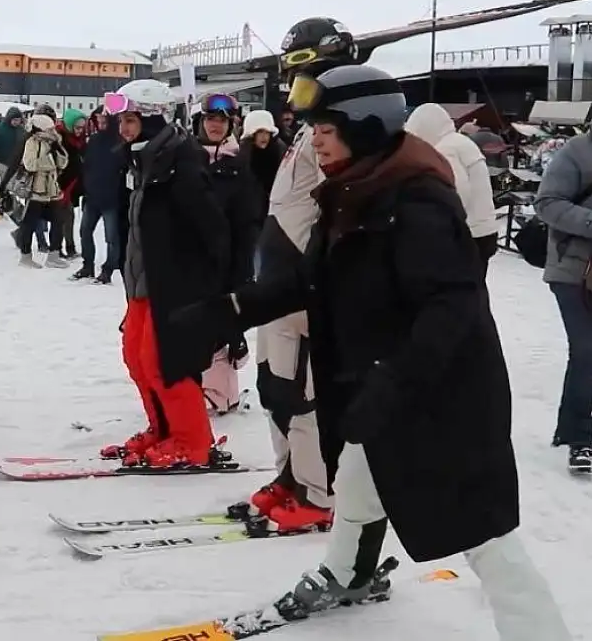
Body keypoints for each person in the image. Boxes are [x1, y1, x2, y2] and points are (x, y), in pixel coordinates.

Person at [170, 64, 572, 641]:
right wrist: (228, 310)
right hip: (384, 389)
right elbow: (312, 279)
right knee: (358, 481)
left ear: (365, 126)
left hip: (442, 398)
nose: (316, 143)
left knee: (487, 542)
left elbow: (451, 310)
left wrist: (393, 381)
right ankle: (348, 572)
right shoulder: (355, 190)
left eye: (326, 132)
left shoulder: (417, 201)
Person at [241, 17, 358, 531]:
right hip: (276, 283)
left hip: (305, 287)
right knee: (274, 386)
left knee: (305, 394)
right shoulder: (308, 130)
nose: (293, 85)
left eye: (302, 71)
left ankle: (318, 491)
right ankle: (288, 476)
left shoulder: (344, 129)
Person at [98, 79, 230, 469]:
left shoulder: (181, 162)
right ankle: (164, 429)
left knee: (164, 363)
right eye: (121, 120)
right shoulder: (141, 160)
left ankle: (193, 441)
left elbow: (212, 230)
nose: (123, 129)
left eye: (131, 120)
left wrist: (203, 288)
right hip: (143, 281)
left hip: (173, 285)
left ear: (153, 119)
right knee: (136, 358)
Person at [193, 93, 259, 414]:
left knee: (220, 331)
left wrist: (244, 273)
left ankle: (219, 393)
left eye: (222, 121)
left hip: (225, 263)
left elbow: (248, 224)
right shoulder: (186, 159)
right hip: (189, 261)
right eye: (210, 120)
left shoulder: (239, 166)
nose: (215, 126)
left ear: (231, 125)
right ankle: (192, 391)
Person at [533, 130, 592, 473]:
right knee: (587, 350)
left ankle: (570, 427)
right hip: (573, 270)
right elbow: (547, 203)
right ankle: (581, 439)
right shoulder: (577, 152)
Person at [405, 103, 499, 271]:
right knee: (473, 288)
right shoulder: (461, 142)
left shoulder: (445, 150)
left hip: (467, 233)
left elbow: (457, 192)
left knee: (461, 290)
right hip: (483, 229)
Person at [73, 107, 125, 284]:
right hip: (92, 196)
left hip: (111, 198)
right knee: (85, 231)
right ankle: (87, 265)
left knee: (111, 237)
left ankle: (108, 269)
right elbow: (86, 166)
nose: (101, 124)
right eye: (98, 121)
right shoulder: (93, 141)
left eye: (104, 121)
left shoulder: (120, 141)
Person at [13, 113, 69, 268]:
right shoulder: (32, 142)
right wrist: (48, 161)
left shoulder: (55, 141)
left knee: (58, 222)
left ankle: (54, 255)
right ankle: (25, 256)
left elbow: (63, 164)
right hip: (36, 190)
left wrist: (58, 150)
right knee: (29, 224)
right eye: (50, 129)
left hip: (52, 189)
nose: (53, 131)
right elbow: (29, 164)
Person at [239, 109, 286, 217]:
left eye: (267, 132)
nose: (264, 136)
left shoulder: (280, 154)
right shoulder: (242, 158)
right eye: (260, 132)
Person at [53, 108, 87, 260]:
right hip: (59, 184)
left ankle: (68, 247)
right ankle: (59, 248)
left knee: (68, 217)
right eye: (77, 127)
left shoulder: (79, 140)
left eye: (82, 127)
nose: (80, 130)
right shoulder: (58, 138)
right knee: (61, 217)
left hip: (71, 184)